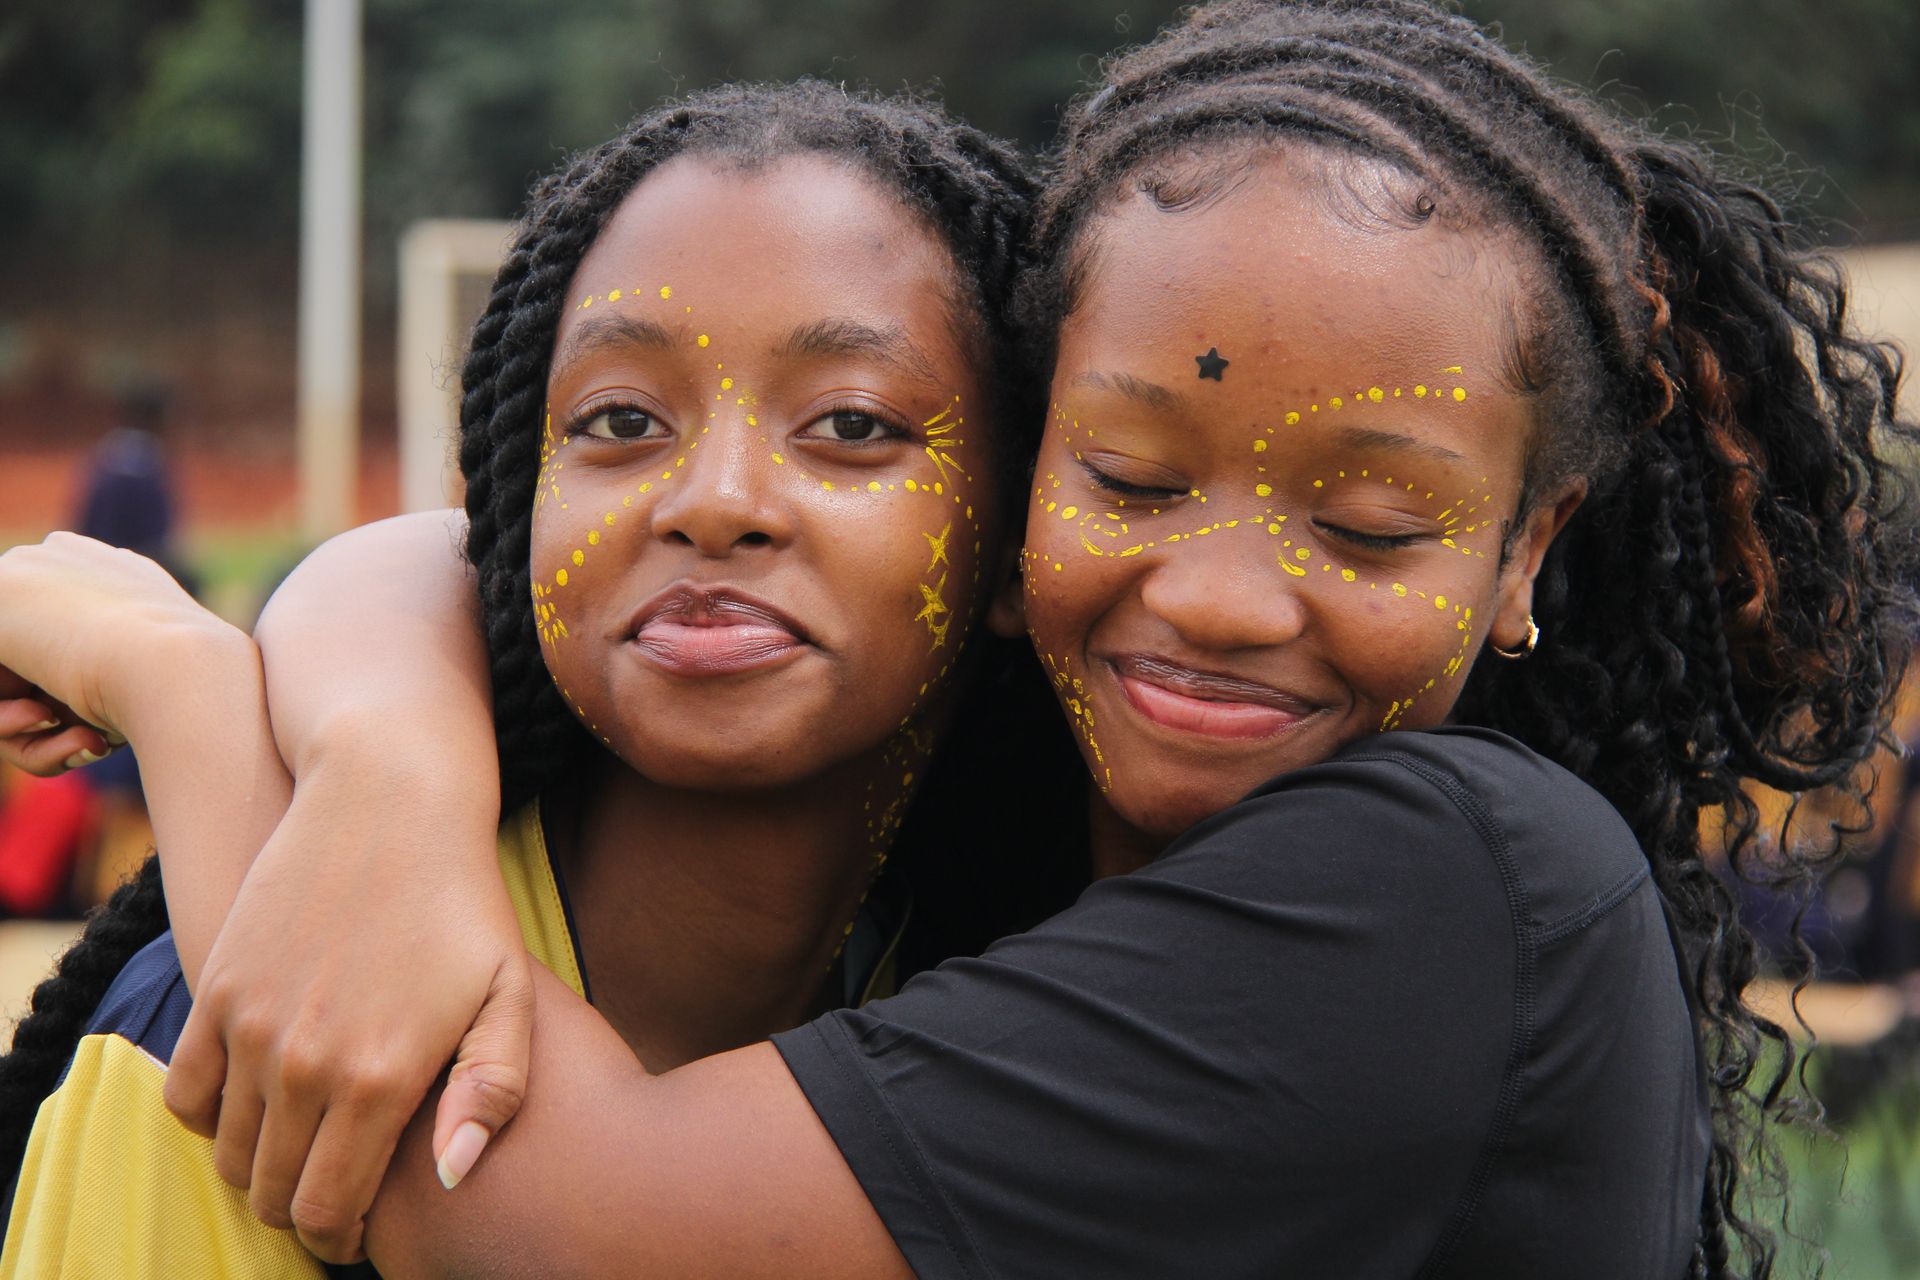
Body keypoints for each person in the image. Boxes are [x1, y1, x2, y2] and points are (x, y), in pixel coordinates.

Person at [4, 1, 1916, 1275]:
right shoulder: (1001, 888)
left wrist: (193, 690)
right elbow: (472, 549)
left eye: (1368, 522)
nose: (1224, 591)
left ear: (1528, 551)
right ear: (1022, 521)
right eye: (1136, 482)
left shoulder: (1437, 887)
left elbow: (529, 1229)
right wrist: (379, 741)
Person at [0, 81, 1066, 1275]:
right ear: (518, 494)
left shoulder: (1004, 992)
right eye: (619, 417)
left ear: (1024, 535)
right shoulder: (229, 1030)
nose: (713, 499)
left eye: (855, 426)